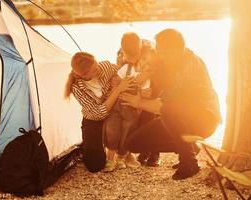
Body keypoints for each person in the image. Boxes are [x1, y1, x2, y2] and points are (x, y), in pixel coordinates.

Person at [120, 29, 222, 180]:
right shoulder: (169, 61)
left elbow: (163, 106)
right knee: (134, 143)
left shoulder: (190, 67)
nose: (159, 55)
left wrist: (139, 102)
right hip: (179, 118)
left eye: (161, 52)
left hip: (204, 119)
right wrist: (149, 88)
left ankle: (189, 162)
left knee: (167, 109)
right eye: (158, 51)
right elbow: (152, 73)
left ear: (175, 50)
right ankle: (190, 147)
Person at [64, 52, 135, 172]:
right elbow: (98, 113)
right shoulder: (76, 87)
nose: (98, 69)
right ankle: (88, 147)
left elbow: (122, 72)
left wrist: (116, 79)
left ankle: (123, 152)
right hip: (93, 120)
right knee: (95, 165)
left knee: (127, 116)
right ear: (82, 75)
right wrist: (117, 90)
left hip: (113, 112)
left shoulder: (105, 66)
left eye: (97, 65)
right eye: (94, 70)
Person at [103, 32, 159, 172]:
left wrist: (145, 90)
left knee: (135, 126)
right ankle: (114, 156)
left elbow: (151, 83)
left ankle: (148, 151)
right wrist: (117, 86)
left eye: (136, 57)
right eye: (129, 56)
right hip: (120, 102)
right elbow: (116, 80)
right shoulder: (123, 58)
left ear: (141, 49)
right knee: (113, 128)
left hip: (137, 102)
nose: (132, 60)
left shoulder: (151, 52)